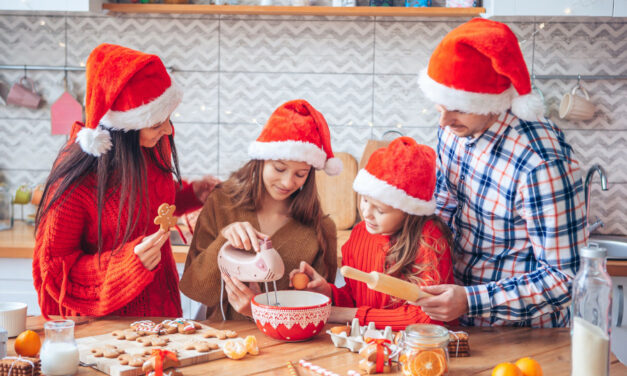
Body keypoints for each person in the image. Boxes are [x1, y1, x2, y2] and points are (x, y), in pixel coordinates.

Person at [415, 18, 587, 327]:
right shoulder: (454, 129)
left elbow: (566, 279)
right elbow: (443, 206)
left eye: (458, 107)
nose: (443, 122)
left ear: (493, 101)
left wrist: (470, 300)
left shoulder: (541, 164)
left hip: (522, 333)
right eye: (441, 106)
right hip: (457, 318)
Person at [33, 44, 217, 319]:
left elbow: (148, 204)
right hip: (104, 328)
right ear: (123, 130)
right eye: (157, 124)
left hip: (160, 315)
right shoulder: (76, 182)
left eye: (167, 119)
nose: (167, 130)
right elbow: (54, 269)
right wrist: (127, 265)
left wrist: (189, 196)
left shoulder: (151, 147)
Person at [180, 99, 341, 321]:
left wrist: (260, 311)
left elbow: (317, 314)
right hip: (224, 343)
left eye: (300, 174)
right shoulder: (221, 203)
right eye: (279, 168)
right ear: (262, 160)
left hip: (286, 350)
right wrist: (224, 239)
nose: (287, 182)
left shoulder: (321, 229)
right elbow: (195, 290)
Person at [291, 136, 454, 331]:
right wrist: (330, 293)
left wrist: (345, 314)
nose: (366, 213)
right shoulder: (360, 234)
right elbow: (355, 296)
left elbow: (428, 318)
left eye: (380, 210)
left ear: (409, 212)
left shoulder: (429, 240)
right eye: (365, 200)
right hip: (370, 345)